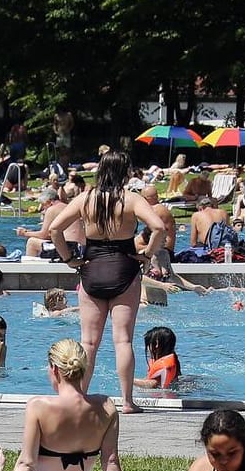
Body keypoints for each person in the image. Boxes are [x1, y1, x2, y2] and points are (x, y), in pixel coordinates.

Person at [49, 151, 166, 412]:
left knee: (88, 342)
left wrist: (68, 258)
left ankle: (78, 398)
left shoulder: (85, 199)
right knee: (123, 341)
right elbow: (159, 227)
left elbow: (55, 229)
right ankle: (127, 401)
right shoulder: (131, 199)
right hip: (124, 268)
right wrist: (147, 255)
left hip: (92, 269)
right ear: (124, 172)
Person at [0, 339, 126, 471]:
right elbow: (111, 462)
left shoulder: (38, 406)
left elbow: (27, 464)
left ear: (54, 369)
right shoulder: (106, 407)